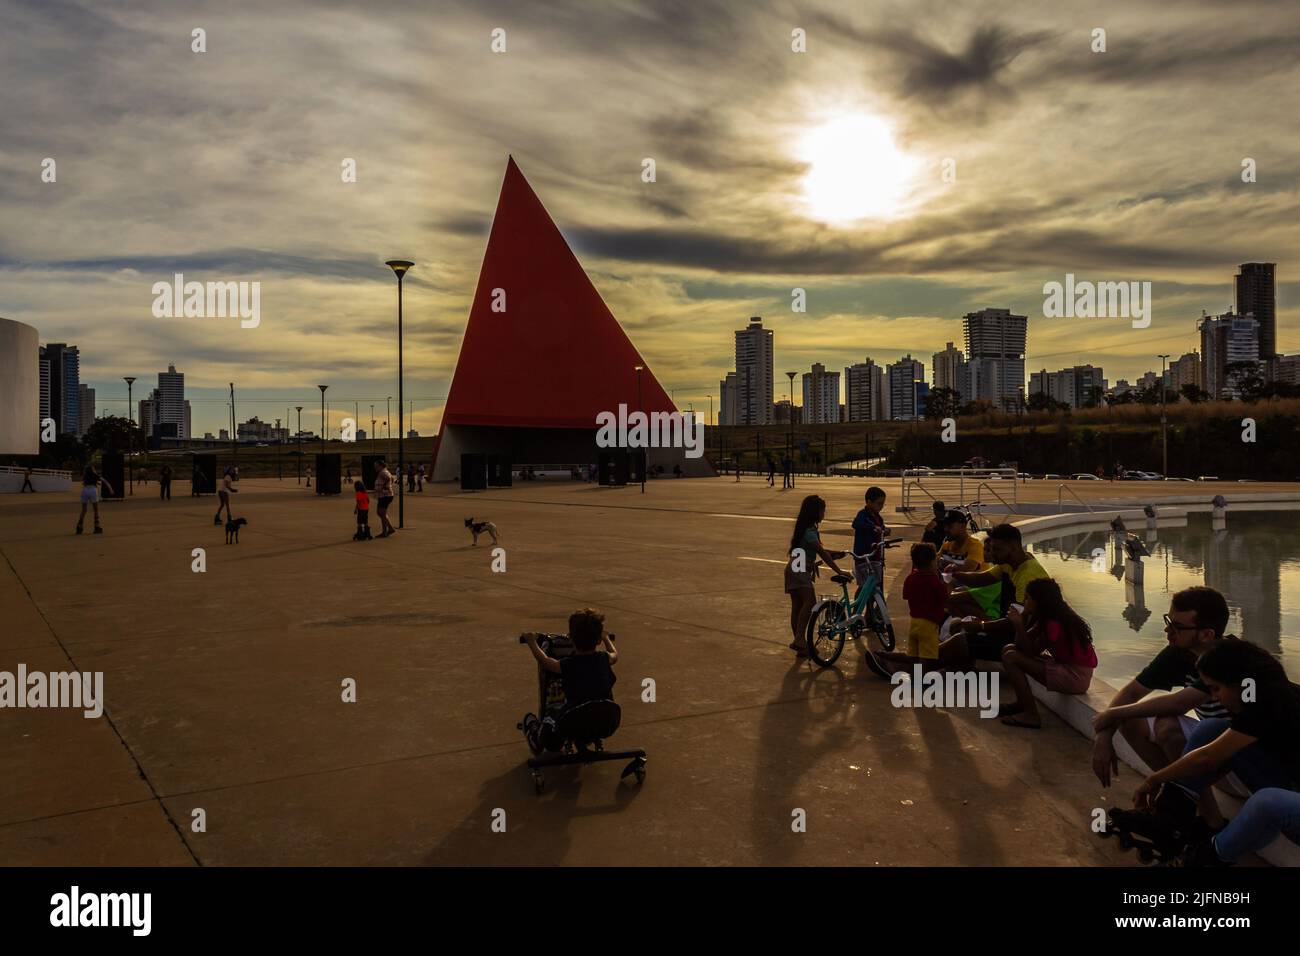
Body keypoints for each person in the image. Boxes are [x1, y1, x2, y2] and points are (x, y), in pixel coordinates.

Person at [1125, 640, 1300, 866]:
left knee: (1267, 802)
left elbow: (1208, 758)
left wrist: (1155, 779)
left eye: (1216, 689)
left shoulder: (1271, 702)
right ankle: (1170, 819)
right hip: (1291, 786)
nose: (1214, 698)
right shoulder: (1261, 697)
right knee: (1212, 728)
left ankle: (1206, 860)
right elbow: (1213, 755)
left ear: (1239, 683)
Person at [1090, 587, 1231, 808]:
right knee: (1130, 719)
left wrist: (1110, 715)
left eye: (1177, 627)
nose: (1168, 630)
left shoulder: (1229, 657)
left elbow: (1180, 703)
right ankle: (1177, 797)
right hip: (1212, 754)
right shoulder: (1178, 653)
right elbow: (1131, 692)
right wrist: (1105, 734)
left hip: (1242, 760)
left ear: (1206, 635)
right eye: (1168, 621)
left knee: (1166, 725)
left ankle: (1205, 817)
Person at [938, 523, 1049, 669]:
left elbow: (1015, 622)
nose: (993, 553)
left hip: (1023, 641)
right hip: (1011, 633)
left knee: (960, 642)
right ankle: (917, 661)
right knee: (957, 641)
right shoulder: (1011, 562)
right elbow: (981, 579)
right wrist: (955, 572)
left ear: (1014, 546)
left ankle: (916, 662)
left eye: (997, 549)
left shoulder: (1029, 575)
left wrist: (981, 626)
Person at [998, 578, 1097, 729]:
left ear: (1039, 601)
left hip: (1075, 676)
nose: (1025, 601)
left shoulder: (1054, 624)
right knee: (1009, 649)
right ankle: (1021, 703)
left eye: (1028, 598)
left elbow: (1029, 652)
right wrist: (1023, 617)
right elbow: (1020, 646)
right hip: (1067, 669)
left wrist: (1018, 625)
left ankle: (1031, 714)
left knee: (1011, 657)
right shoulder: (1047, 618)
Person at [521, 608, 618, 752]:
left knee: (553, 720)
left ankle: (534, 733)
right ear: (598, 639)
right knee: (586, 706)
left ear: (571, 638)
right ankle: (584, 740)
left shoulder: (568, 664)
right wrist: (606, 639)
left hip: (572, 721)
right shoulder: (605, 658)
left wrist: (532, 642)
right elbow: (614, 654)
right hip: (606, 720)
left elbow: (545, 661)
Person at [863, 543, 948, 678]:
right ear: (933, 562)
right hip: (929, 624)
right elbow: (945, 597)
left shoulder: (911, 578)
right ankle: (924, 677)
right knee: (927, 655)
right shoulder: (934, 581)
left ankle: (913, 674)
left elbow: (905, 595)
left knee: (914, 653)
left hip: (914, 622)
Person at [784, 495, 850, 658]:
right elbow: (821, 552)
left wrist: (835, 553)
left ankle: (800, 644)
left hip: (794, 566)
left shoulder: (804, 528)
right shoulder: (810, 531)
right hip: (799, 568)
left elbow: (818, 550)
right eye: (823, 510)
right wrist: (839, 571)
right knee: (810, 602)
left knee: (798, 606)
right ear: (816, 512)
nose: (824, 514)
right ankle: (799, 640)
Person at [850, 486, 889, 587]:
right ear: (869, 502)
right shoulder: (862, 515)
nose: (881, 506)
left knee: (876, 585)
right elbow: (856, 524)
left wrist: (885, 530)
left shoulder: (878, 518)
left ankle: (875, 601)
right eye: (879, 503)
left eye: (883, 504)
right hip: (863, 557)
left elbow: (882, 529)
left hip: (876, 557)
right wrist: (873, 527)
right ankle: (860, 602)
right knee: (864, 586)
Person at [76, 465, 112, 535]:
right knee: (95, 509)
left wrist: (96, 482)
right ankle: (97, 526)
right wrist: (110, 489)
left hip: (85, 490)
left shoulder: (85, 476)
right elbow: (104, 481)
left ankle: (79, 527)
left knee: (84, 510)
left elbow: (86, 482)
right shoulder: (95, 475)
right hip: (93, 490)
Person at [374, 459, 396, 537]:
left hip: (385, 495)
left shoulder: (383, 472)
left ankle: (385, 532)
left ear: (380, 466)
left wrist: (384, 487)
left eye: (376, 466)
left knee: (382, 513)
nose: (375, 467)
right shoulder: (384, 471)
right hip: (384, 495)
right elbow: (392, 479)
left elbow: (389, 478)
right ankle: (390, 528)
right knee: (380, 512)